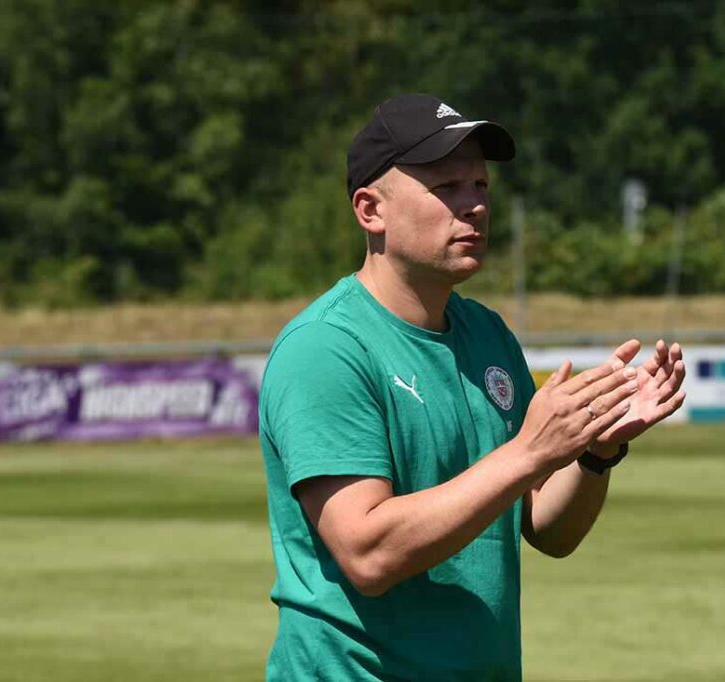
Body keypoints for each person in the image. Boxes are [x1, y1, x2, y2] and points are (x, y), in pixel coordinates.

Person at [258, 93, 686, 681]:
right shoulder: (326, 348)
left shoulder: (487, 334)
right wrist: (530, 451)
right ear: (369, 210)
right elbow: (368, 552)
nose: (475, 207)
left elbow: (546, 529)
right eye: (447, 188)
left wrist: (594, 451)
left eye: (480, 186)